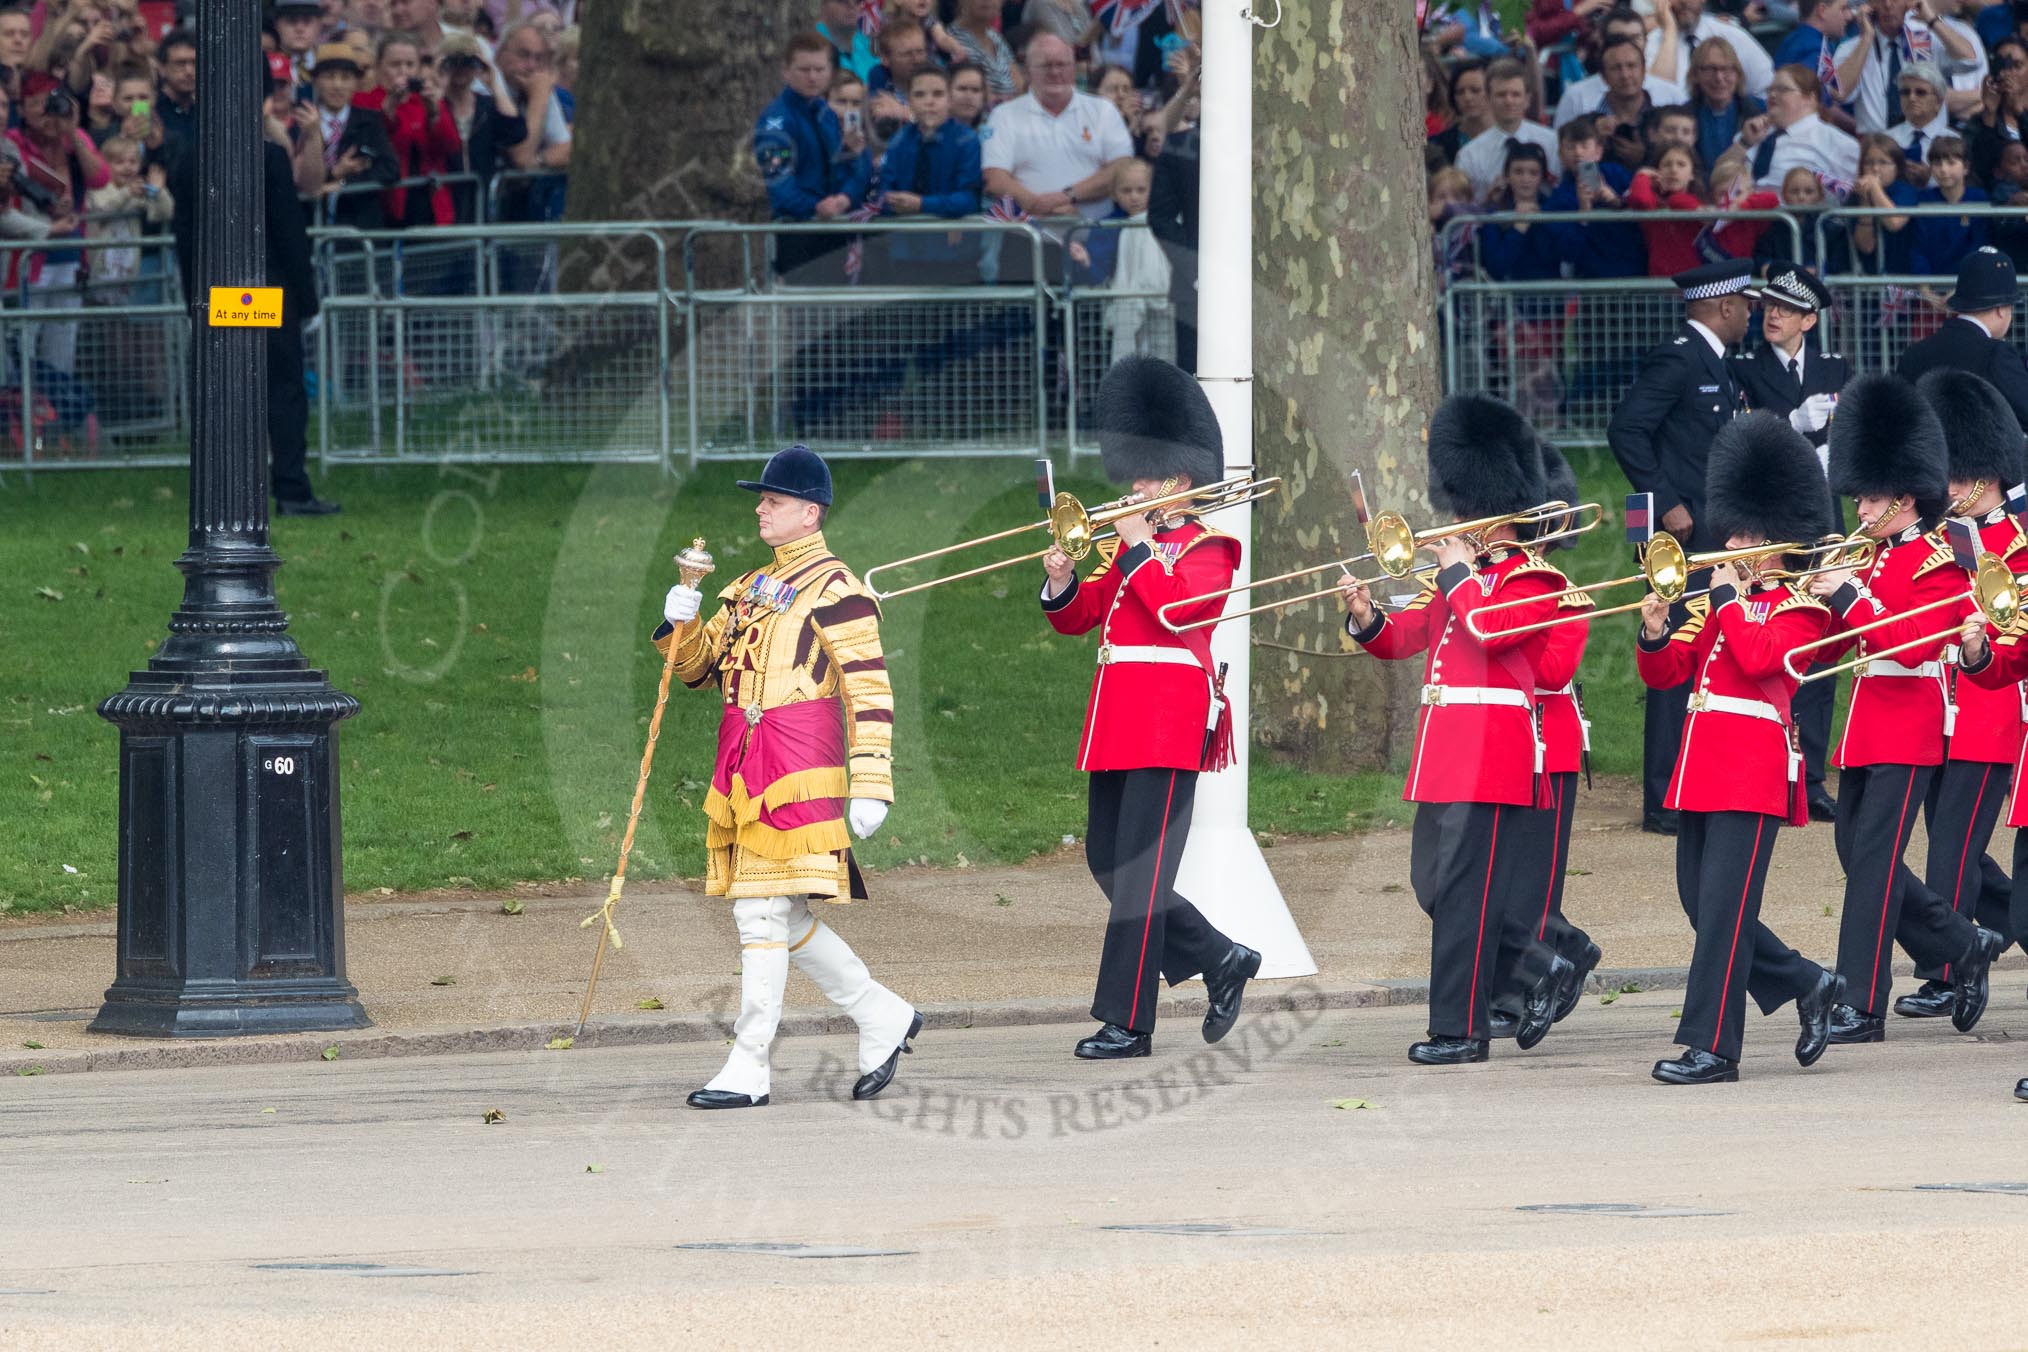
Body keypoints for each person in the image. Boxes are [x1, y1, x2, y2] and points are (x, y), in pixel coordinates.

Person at [652, 444, 918, 1108]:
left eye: (773, 500)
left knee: (761, 911)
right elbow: (697, 670)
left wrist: (873, 781)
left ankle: (749, 1062)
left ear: (810, 511)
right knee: (780, 912)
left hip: (803, 762)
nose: (761, 510)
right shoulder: (747, 584)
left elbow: (870, 691)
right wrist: (678, 621)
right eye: (762, 499)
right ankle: (882, 1014)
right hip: (746, 761)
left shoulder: (841, 589)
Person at [1038, 357, 1262, 1061]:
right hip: (1117, 722)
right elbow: (1085, 619)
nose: (1131, 487)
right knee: (1109, 862)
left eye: (1145, 476)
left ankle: (1128, 1022)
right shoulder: (1129, 550)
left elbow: (1174, 610)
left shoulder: (1211, 548)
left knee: (1140, 875)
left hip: (1169, 720)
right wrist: (1063, 579)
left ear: (1180, 479)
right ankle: (1221, 956)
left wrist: (1136, 548)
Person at [1339, 394, 1571, 1065]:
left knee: (1466, 892)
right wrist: (1363, 615)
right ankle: (1531, 966)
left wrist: (1461, 576)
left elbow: (1493, 633)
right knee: (1434, 887)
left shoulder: (1536, 577)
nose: (1454, 519)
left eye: (1467, 508)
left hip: (1491, 751)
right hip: (1444, 750)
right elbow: (1405, 638)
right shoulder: (1453, 578)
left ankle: (1459, 1029)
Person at [1635, 412, 1848, 1083]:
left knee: (1725, 914)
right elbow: (1671, 675)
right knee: (1701, 906)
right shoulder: (1724, 601)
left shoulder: (1803, 610)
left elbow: (1761, 663)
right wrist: (1653, 633)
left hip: (1753, 768)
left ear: (1777, 538)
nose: (1732, 542)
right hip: (1702, 766)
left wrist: (1727, 597)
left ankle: (1713, 1047)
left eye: (1746, 534)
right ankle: (1809, 983)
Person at [1806, 373, 2004, 1043]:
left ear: (1900, 497)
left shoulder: (1939, 562)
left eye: (1868, 500)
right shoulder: (1874, 556)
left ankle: (1860, 1002)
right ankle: (1962, 942)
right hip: (1867, 722)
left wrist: (1848, 596)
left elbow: (1911, 644)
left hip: (1908, 722)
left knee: (1874, 860)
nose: (1859, 512)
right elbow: (1854, 634)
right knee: (1856, 849)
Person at [1888, 368, 2027, 1020]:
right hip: (1943, 707)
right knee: (1962, 851)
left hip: (1990, 714)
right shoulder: (1943, 540)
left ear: (1985, 474)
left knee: (1951, 847)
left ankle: (1948, 973)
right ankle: (1989, 929)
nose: (1942, 486)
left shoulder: (2015, 545)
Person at [1608, 259, 1756, 834]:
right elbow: (1626, 429)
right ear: (1724, 307)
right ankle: (1664, 797)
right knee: (1673, 654)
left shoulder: (1717, 365)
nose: (1749, 313)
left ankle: (1690, 784)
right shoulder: (1679, 357)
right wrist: (1663, 498)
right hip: (1681, 537)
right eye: (1745, 304)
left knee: (1702, 657)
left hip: (1714, 532)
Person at [167, 84, 334, 516]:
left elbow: (185, 238)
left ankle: (226, 499)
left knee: (224, 396)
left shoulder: (189, 161)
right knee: (283, 391)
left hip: (217, 293)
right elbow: (289, 234)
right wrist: (308, 299)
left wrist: (192, 302)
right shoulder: (269, 158)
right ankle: (292, 489)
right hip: (268, 290)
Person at [1730, 265, 1849, 819]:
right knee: (1769, 638)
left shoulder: (1833, 366)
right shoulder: (1745, 369)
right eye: (1766, 306)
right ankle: (1771, 764)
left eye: (1784, 309)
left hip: (1824, 516)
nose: (1770, 315)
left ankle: (1814, 774)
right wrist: (1791, 421)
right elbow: (1743, 434)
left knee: (1819, 643)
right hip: (1774, 522)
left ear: (1809, 318)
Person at [753, 30, 870, 283]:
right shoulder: (777, 121)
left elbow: (847, 167)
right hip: (800, 231)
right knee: (807, 314)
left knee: (839, 315)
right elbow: (780, 185)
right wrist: (815, 207)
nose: (813, 77)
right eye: (804, 70)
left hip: (834, 228)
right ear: (786, 71)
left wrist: (845, 197)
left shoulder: (825, 112)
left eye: (819, 69)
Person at [1896, 247, 2028, 432]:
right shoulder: (1997, 355)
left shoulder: (1914, 354)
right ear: (2002, 309)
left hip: (1927, 460)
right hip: (1983, 460)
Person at [352, 30, 462, 228]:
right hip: (385, 203)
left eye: (410, 65)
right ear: (378, 67)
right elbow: (372, 143)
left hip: (429, 202)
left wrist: (435, 113)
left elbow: (451, 146)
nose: (404, 71)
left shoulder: (427, 101)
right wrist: (389, 108)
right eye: (395, 65)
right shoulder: (364, 101)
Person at [1833, 0, 1985, 135]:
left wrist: (1931, 19)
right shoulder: (1853, 48)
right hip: (1878, 151)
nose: (1887, 5)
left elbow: (1971, 61)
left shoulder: (1925, 39)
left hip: (1927, 147)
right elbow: (1838, 92)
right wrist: (1866, 38)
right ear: (1869, 5)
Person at [307, 42, 398, 230]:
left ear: (356, 83)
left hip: (360, 225)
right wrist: (333, 173)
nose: (337, 85)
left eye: (346, 77)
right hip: (314, 224)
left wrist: (343, 183)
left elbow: (390, 169)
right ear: (315, 80)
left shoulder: (370, 121)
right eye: (329, 76)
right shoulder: (303, 120)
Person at [1553, 6, 1684, 129]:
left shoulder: (1671, 96)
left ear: (1646, 41)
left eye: (1635, 38)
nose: (1626, 47)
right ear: (1601, 42)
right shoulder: (1576, 98)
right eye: (1619, 39)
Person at [1456, 56, 1562, 199]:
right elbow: (1464, 208)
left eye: (1516, 94)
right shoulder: (1469, 155)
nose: (1509, 101)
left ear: (1527, 99)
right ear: (1488, 99)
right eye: (1501, 95)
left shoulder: (1552, 142)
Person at [1746, 66, 1861, 190]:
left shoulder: (1835, 142)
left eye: (1782, 89)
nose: (1772, 95)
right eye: (1769, 90)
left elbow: (1859, 189)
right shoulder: (1754, 131)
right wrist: (1742, 143)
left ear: (1810, 98)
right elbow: (1725, 178)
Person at [1646, 0, 1775, 98]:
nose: (1684, 2)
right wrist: (1669, 32)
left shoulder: (1730, 34)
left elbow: (1766, 85)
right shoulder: (1654, 42)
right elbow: (1657, 96)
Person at [1906, 135, 1986, 276]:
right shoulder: (1923, 199)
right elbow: (1919, 249)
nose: (1943, 169)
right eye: (1937, 163)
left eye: (1951, 163)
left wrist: (1960, 286)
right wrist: (1924, 286)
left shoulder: (1979, 199)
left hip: (1969, 287)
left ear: (1966, 167)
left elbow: (1979, 246)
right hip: (1931, 287)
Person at [1625, 143, 1710, 276]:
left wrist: (1673, 199)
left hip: (1696, 285)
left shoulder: (1697, 204)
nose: (1673, 170)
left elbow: (1681, 202)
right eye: (1666, 165)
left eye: (1681, 164)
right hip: (1661, 286)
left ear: (1692, 175)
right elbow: (1640, 200)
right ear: (1657, 171)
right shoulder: (1654, 203)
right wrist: (1643, 176)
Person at [1686, 34, 1766, 171]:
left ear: (1738, 74)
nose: (1719, 78)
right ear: (1695, 75)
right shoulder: (1683, 116)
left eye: (1726, 69)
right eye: (1710, 69)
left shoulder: (1759, 111)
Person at [1886, 60, 1953, 168]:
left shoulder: (1953, 140)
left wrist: (1930, 178)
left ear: (1938, 101)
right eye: (1905, 92)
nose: (1912, 98)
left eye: (1920, 92)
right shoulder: (1887, 139)